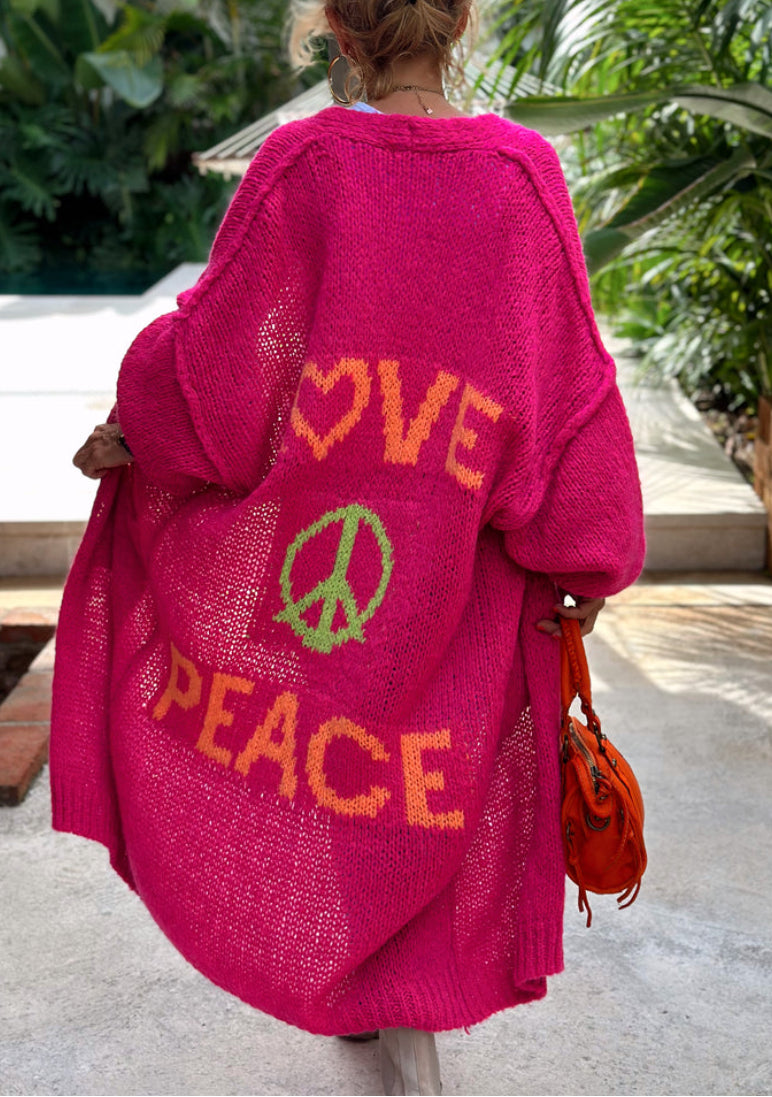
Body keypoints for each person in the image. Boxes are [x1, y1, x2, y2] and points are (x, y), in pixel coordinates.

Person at [53, 1, 646, 1094]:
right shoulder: (523, 179)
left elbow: (214, 375)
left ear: (337, 26)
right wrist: (587, 557)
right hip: (455, 571)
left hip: (315, 559)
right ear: (459, 20)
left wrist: (136, 424)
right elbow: (571, 397)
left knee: (337, 768)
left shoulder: (304, 165)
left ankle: (377, 1005)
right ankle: (399, 1016)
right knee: (425, 781)